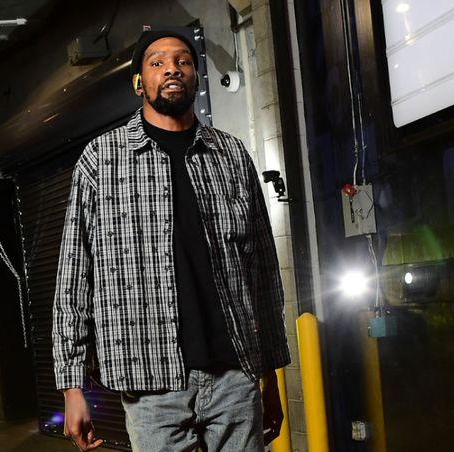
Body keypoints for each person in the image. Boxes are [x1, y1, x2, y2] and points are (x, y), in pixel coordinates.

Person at [53, 29, 290, 451]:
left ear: (196, 77)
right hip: (150, 385)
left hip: (234, 375)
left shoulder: (233, 156)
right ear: (139, 82)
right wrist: (73, 387)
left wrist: (269, 372)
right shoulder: (102, 159)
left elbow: (263, 272)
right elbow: (74, 275)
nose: (172, 70)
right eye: (157, 62)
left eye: (183, 61)